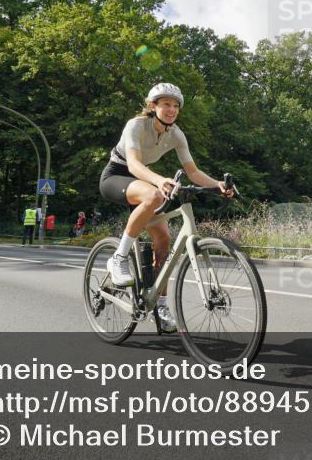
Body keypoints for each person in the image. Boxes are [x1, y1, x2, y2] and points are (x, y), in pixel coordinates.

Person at [98, 83, 233, 332]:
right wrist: (160, 180)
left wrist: (217, 185)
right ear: (153, 106)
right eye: (166, 104)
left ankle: (159, 303)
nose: (171, 110)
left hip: (144, 181)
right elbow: (134, 165)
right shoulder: (136, 125)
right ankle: (118, 257)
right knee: (154, 196)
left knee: (163, 243)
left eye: (175, 106)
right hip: (117, 176)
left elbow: (192, 171)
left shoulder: (176, 134)